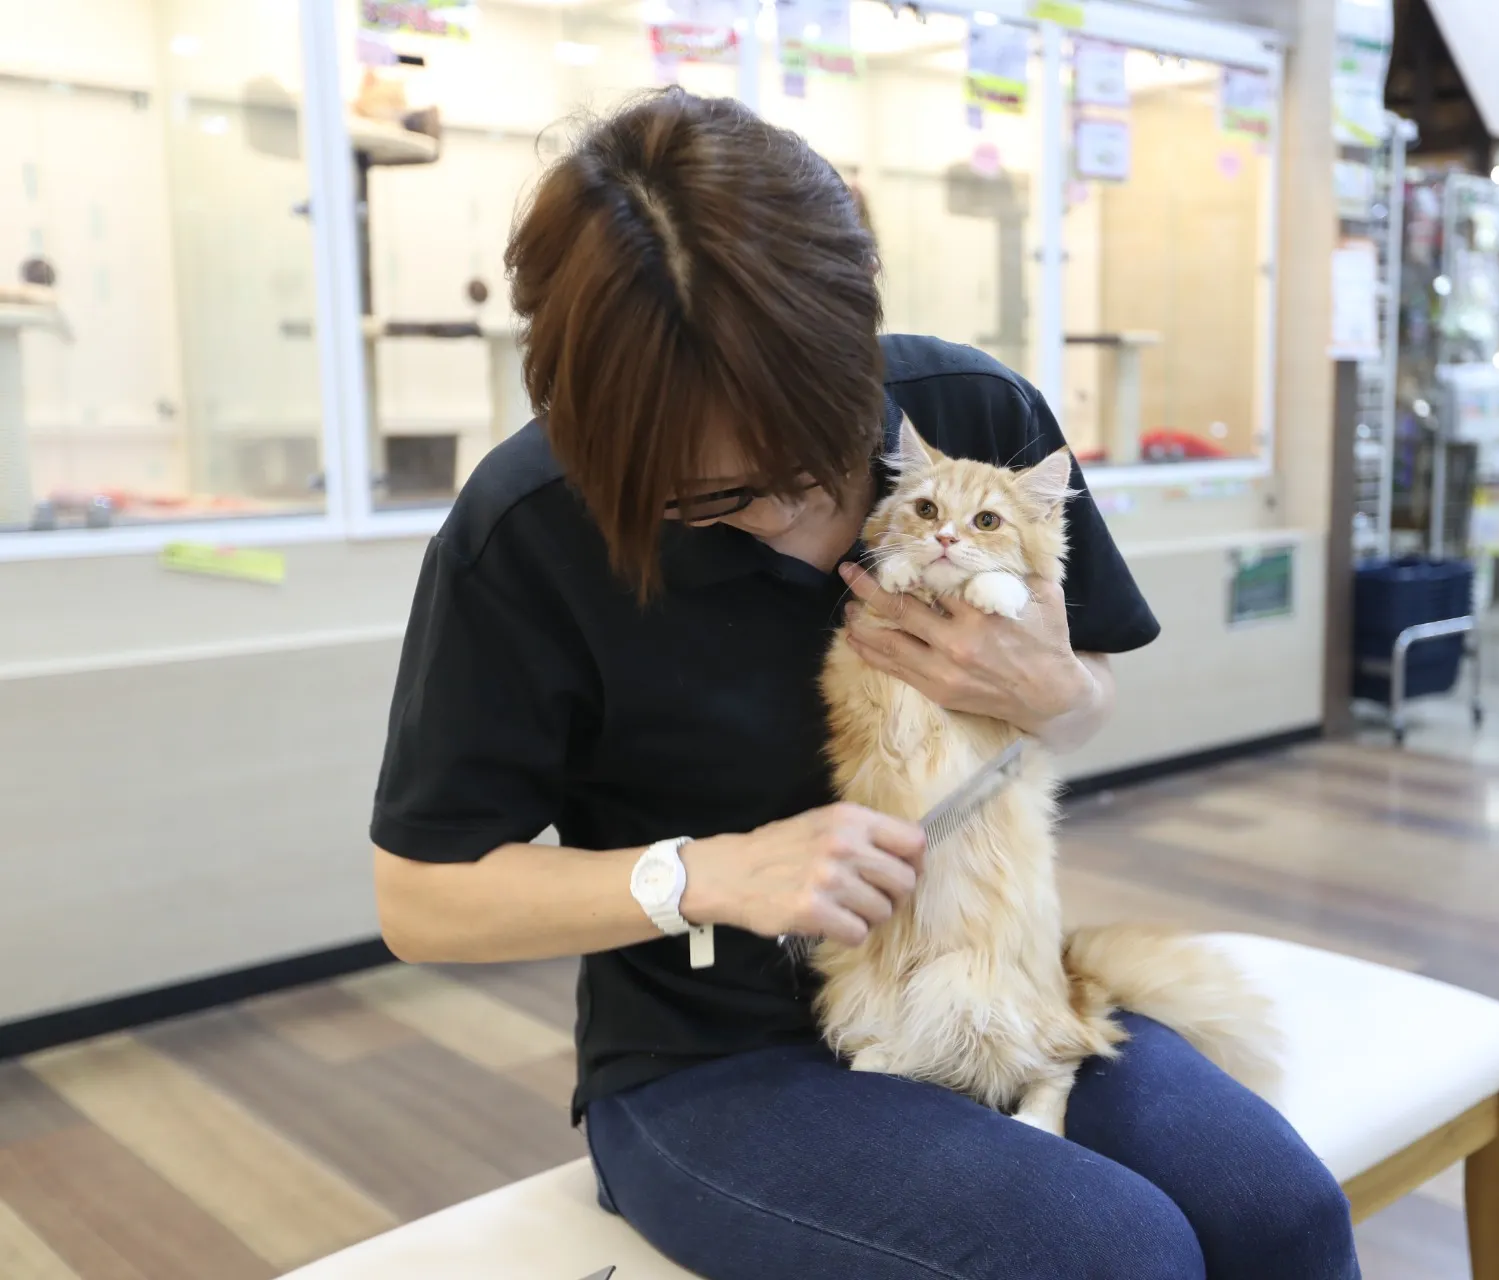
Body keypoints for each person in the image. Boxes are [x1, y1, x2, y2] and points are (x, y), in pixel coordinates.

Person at [369, 88, 1360, 1280]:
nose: (786, 515)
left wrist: (1051, 687)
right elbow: (421, 895)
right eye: (714, 499)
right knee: (1111, 1255)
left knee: (1280, 1211)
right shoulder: (529, 532)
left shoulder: (972, 420)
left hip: (988, 978)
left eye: (809, 459)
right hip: (717, 1058)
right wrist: (705, 871)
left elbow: (1089, 699)